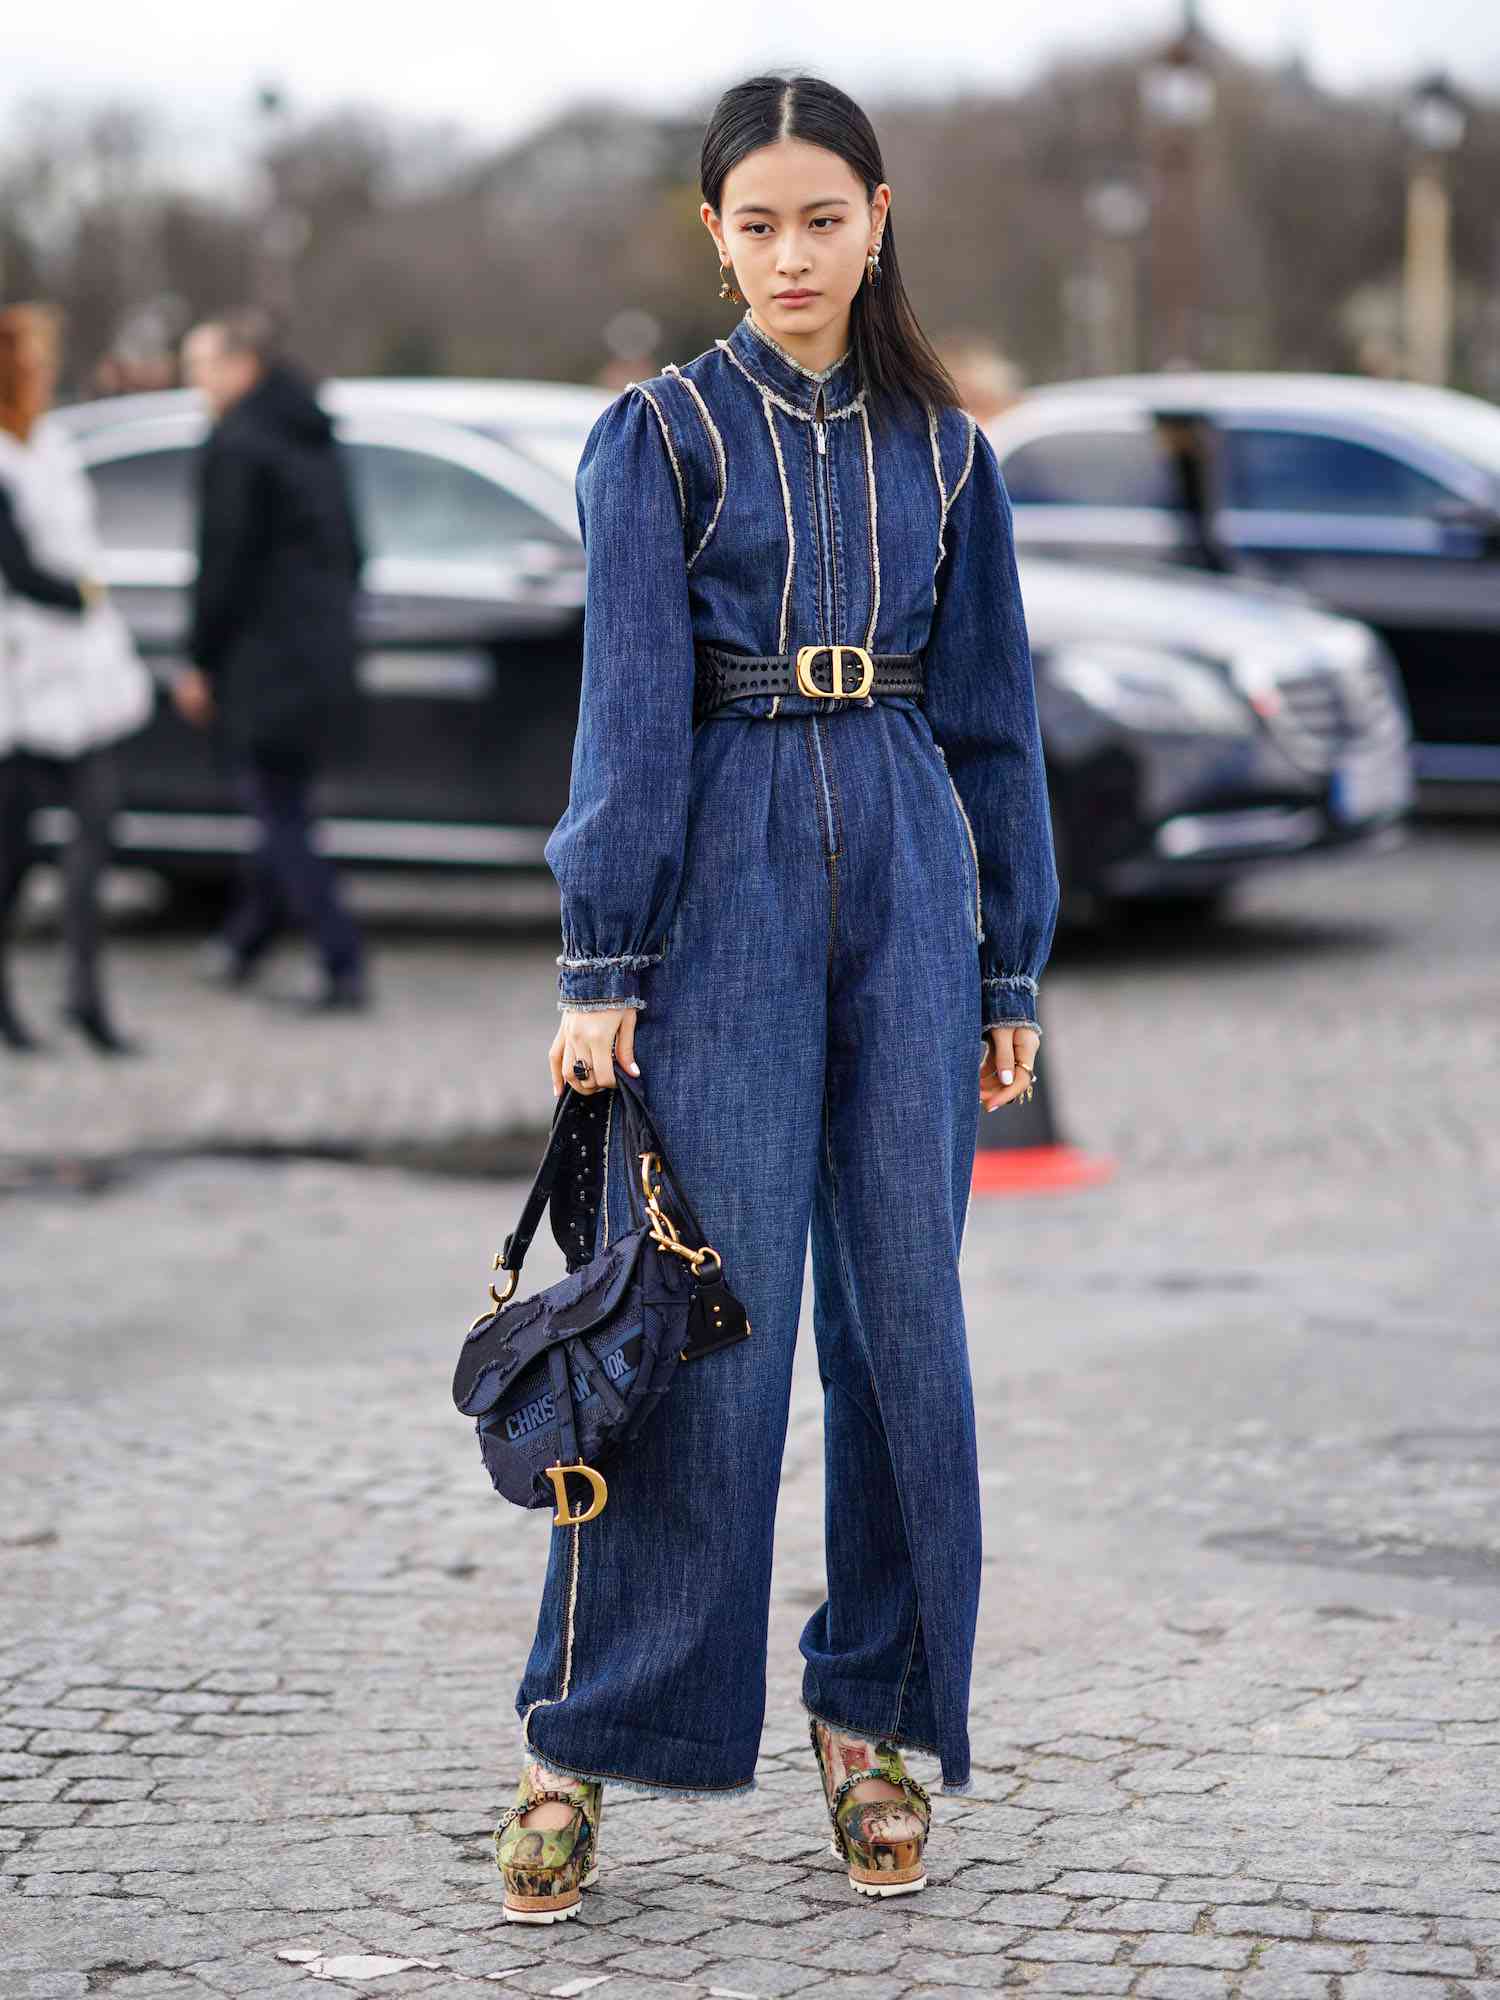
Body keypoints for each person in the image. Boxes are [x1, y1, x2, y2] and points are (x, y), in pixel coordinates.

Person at [488, 72, 1060, 1925]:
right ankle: (580, 1735)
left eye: (825, 218)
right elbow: (626, 718)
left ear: (879, 221)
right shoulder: (657, 438)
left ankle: (869, 1712)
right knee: (686, 1329)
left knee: (905, 1331)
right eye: (759, 224)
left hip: (904, 871)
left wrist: (1009, 960)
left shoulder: (948, 453)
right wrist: (603, 965)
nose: (793, 253)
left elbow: (994, 722)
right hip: (720, 876)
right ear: (714, 238)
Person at [176, 309, 368, 1011]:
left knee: (277, 807)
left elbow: (222, 563)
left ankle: (341, 960)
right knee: (281, 801)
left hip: (262, 660)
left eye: (201, 366)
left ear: (241, 364)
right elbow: (354, 551)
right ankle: (246, 940)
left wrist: (199, 658)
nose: (194, 381)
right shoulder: (312, 434)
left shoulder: (238, 443)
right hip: (321, 651)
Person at [0, 302, 154, 1055]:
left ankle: (84, 996)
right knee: (13, 857)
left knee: (95, 836)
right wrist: (83, 593)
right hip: (20, 676)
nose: (46, 368)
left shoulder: (55, 445)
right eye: (34, 357)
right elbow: (23, 570)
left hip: (83, 673)